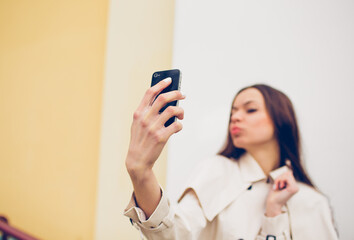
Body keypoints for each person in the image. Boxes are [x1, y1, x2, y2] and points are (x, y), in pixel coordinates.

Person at [124, 79, 338, 240]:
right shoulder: (217, 170)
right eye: (233, 112)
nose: (236, 117)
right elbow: (173, 233)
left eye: (250, 109)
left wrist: (273, 214)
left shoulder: (311, 201)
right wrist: (141, 172)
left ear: (281, 119)